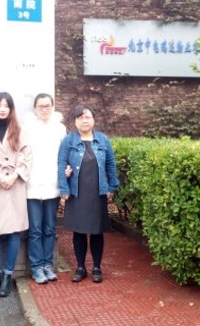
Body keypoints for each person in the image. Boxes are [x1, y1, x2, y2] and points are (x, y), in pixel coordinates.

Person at [57, 104, 119, 284]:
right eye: (81, 117)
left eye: (88, 117)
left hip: (97, 193)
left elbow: (110, 164)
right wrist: (64, 189)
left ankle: (97, 267)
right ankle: (80, 267)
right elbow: (61, 164)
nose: (84, 120)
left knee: (97, 231)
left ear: (94, 120)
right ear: (75, 121)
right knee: (79, 232)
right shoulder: (68, 141)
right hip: (77, 194)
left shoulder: (103, 140)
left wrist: (112, 187)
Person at [0, 92, 32, 297]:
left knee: (13, 232)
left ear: (11, 109)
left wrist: (14, 175)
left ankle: (7, 276)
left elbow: (28, 157)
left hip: (14, 185)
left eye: (6, 106)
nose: (2, 109)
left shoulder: (20, 130)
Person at [24, 93, 66, 284]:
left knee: (49, 227)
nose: (44, 109)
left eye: (48, 106)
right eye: (41, 106)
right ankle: (36, 267)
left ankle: (48, 264)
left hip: (52, 184)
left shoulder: (60, 128)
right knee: (35, 229)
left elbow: (64, 155)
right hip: (32, 185)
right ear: (35, 108)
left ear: (53, 107)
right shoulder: (27, 128)